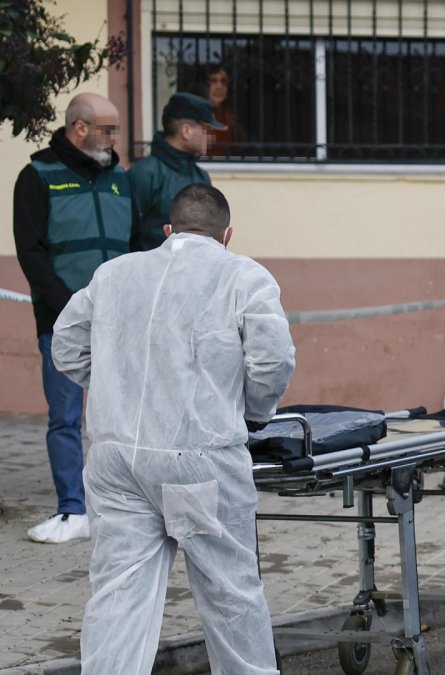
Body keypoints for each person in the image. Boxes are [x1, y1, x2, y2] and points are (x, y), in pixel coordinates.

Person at [52, 184, 294, 674]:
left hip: (116, 458)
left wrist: (113, 387)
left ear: (168, 230)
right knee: (230, 595)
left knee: (118, 593)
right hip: (201, 460)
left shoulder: (114, 273)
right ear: (227, 235)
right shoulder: (243, 276)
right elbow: (273, 361)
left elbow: (66, 345)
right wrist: (250, 412)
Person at [12, 92, 140, 544]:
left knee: (126, 415)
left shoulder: (120, 179)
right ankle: (72, 510)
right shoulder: (37, 177)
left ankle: (123, 504)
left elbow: (137, 244)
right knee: (65, 417)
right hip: (62, 321)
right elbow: (31, 252)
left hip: (121, 320)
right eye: (108, 129)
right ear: (79, 128)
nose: (115, 138)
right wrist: (70, 307)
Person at [129, 92, 226, 249]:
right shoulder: (145, 174)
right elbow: (128, 233)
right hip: (153, 272)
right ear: (186, 131)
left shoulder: (201, 177)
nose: (211, 137)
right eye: (206, 130)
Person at [206, 65, 238, 157]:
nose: (219, 86)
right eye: (213, 81)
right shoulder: (194, 115)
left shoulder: (230, 115)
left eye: (223, 81)